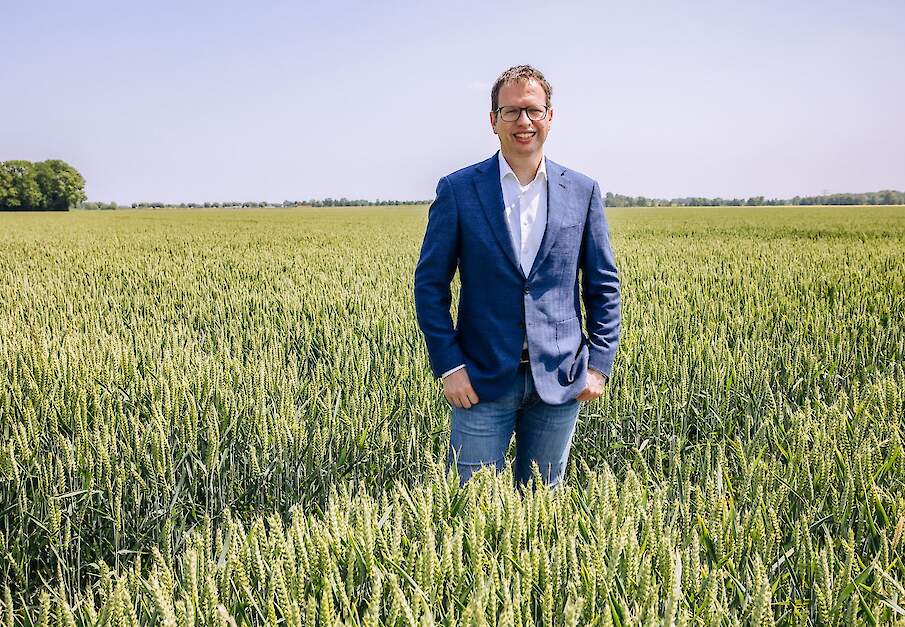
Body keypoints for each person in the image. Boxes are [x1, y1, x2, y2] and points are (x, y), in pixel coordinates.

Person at [413, 65, 621, 489]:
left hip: (560, 379)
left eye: (532, 111)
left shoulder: (582, 191)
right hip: (481, 379)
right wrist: (449, 365)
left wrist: (598, 366)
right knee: (470, 510)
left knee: (543, 508)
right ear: (493, 121)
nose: (523, 122)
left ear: (550, 116)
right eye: (510, 112)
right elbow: (430, 286)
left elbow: (603, 286)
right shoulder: (459, 190)